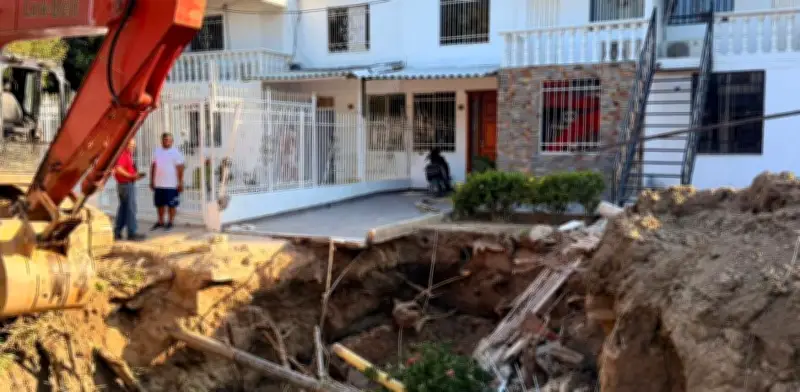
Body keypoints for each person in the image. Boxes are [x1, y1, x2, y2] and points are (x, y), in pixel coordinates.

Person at [150, 132, 185, 231]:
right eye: (165, 139)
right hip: (159, 184)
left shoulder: (176, 153)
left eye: (169, 140)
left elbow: (180, 168)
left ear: (172, 141)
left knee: (171, 205)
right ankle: (160, 221)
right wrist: (152, 181)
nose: (167, 141)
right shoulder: (157, 151)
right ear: (161, 141)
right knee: (159, 204)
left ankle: (170, 222)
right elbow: (153, 166)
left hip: (171, 184)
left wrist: (180, 182)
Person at [113, 139, 146, 241]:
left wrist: (135, 176)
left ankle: (117, 232)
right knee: (131, 209)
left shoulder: (127, 154)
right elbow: (118, 169)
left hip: (125, 184)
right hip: (126, 185)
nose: (133, 147)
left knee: (123, 209)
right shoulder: (123, 154)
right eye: (131, 145)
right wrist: (131, 176)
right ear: (125, 144)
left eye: (134, 145)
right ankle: (131, 233)